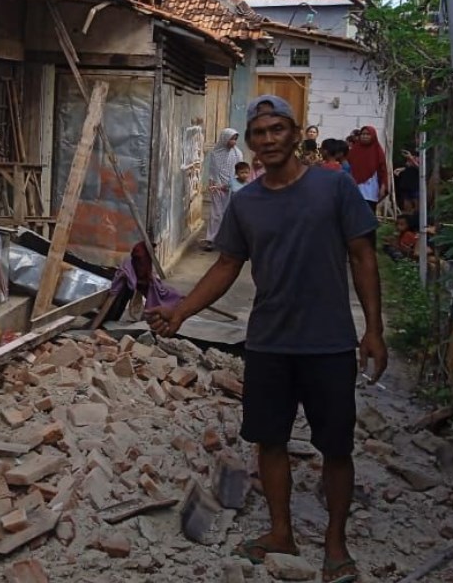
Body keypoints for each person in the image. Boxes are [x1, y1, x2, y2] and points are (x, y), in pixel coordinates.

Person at [147, 94, 385, 583]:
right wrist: (182, 311)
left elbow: (363, 257)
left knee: (336, 448)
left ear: (295, 135)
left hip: (330, 343)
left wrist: (374, 332)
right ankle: (282, 532)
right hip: (269, 344)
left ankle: (335, 546)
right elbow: (228, 265)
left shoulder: (333, 188)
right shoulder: (246, 202)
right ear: (250, 143)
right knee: (270, 441)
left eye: (278, 129)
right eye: (260, 133)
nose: (269, 139)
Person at [203, 128, 242, 251]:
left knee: (229, 215)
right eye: (231, 139)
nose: (234, 142)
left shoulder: (237, 154)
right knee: (216, 214)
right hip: (217, 188)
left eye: (235, 139)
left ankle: (226, 240)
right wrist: (215, 184)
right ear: (225, 139)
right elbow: (212, 171)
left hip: (231, 188)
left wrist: (231, 185)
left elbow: (239, 172)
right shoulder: (215, 153)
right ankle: (211, 240)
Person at [346, 125, 389, 209]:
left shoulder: (378, 151)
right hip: (354, 186)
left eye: (368, 134)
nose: (365, 136)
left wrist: (383, 186)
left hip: (371, 188)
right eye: (363, 134)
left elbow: (383, 170)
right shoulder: (354, 150)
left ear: (373, 136)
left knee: (368, 212)